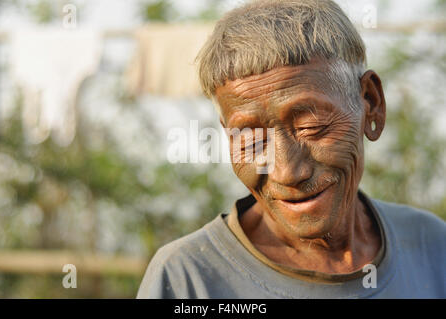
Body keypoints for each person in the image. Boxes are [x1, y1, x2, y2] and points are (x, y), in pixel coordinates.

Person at [137, 0, 446, 298]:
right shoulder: (186, 279)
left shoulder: (432, 247)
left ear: (370, 102)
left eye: (311, 126)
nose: (287, 172)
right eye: (251, 139)